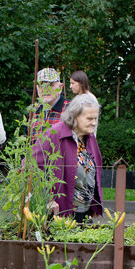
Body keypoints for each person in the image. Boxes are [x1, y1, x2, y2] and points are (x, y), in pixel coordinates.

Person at [32, 93, 103, 222]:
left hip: (84, 213)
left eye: (96, 119)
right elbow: (32, 166)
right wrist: (47, 199)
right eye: (89, 118)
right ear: (75, 116)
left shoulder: (90, 137)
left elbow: (95, 171)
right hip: (59, 214)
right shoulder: (55, 133)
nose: (94, 123)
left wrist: (94, 203)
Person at [30, 67, 69, 140]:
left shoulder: (71, 110)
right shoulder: (34, 111)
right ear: (37, 88)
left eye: (50, 85)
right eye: (42, 85)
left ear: (60, 88)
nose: (45, 89)